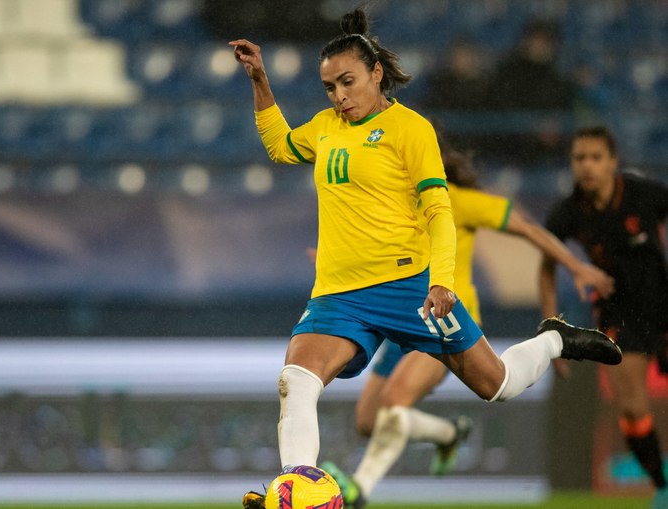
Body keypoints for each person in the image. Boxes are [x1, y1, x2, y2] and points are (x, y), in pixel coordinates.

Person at [230, 7, 622, 509]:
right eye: (329, 87)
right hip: (338, 293)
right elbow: (282, 147)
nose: (339, 96)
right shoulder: (325, 127)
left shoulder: (409, 129)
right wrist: (260, 81)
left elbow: (438, 209)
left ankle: (554, 339)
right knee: (296, 381)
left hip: (408, 288)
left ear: (376, 74)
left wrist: (442, 280)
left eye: (347, 82)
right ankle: (296, 490)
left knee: (495, 384)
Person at [318, 140, 615, 509]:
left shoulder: (456, 200)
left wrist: (576, 266)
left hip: (444, 319)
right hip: (399, 321)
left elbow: (529, 230)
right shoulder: (391, 204)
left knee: (396, 401)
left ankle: (359, 489)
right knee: (368, 421)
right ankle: (448, 433)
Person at [540, 126, 668, 509]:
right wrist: (550, 325)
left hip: (663, 306)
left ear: (613, 162)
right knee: (631, 406)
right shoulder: (568, 212)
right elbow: (546, 262)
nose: (587, 166)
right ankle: (661, 486)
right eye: (580, 158)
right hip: (618, 315)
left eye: (596, 157)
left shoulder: (643, 194)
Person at [482, 18, 578, 166]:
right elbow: (500, 110)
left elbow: (566, 111)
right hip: (510, 150)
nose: (540, 46)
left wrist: (555, 127)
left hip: (549, 152)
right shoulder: (508, 72)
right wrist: (533, 127)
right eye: (536, 40)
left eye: (546, 42)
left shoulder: (557, 76)